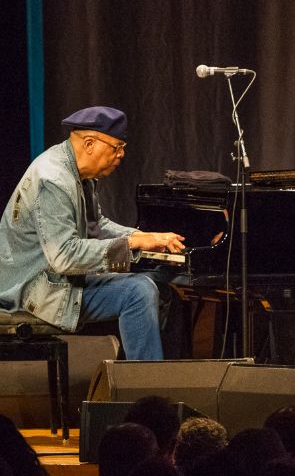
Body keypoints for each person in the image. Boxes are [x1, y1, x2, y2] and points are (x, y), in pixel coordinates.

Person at [2, 107, 185, 360]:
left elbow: (95, 227)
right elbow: (64, 257)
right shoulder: (53, 179)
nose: (121, 155)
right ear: (90, 144)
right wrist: (131, 243)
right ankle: (145, 392)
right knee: (139, 292)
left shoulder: (79, 173)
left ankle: (139, 379)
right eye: (116, 147)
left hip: (56, 277)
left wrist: (148, 239)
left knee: (159, 282)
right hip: (32, 287)